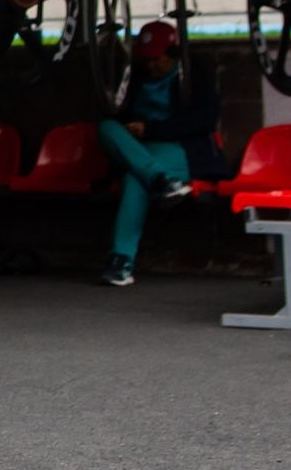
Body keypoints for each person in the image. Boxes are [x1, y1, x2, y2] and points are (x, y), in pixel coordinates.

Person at [95, 20, 226, 287]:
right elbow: (116, 113)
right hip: (140, 150)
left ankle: (121, 260)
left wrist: (151, 129)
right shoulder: (133, 79)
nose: (152, 66)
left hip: (179, 150)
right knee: (106, 128)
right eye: (147, 61)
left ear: (173, 55)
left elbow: (205, 120)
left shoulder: (192, 77)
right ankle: (161, 181)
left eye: (158, 60)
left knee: (135, 178)